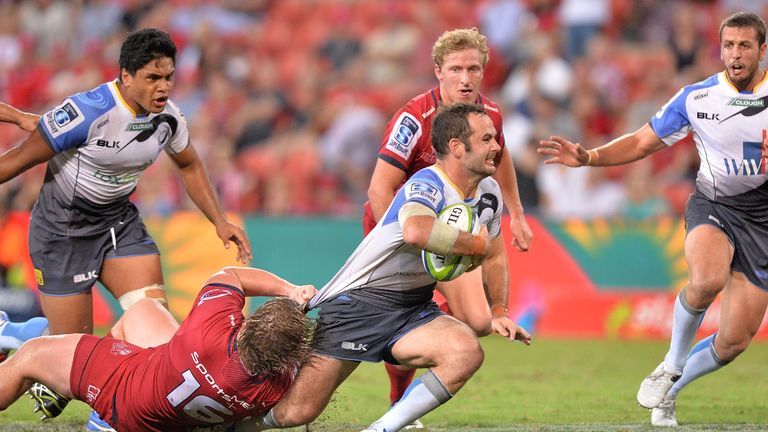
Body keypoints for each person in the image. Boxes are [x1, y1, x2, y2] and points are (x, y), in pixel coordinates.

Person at [0, 28, 252, 430]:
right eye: (153, 78)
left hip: (118, 223)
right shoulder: (88, 111)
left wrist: (220, 220)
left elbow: (188, 164)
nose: (163, 87)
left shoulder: (169, 117)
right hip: (62, 231)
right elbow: (15, 162)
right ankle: (16, 332)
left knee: (151, 326)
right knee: (70, 355)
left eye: (168, 77)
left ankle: (111, 417)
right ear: (125, 76)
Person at [538, 11, 768, 427]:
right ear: (720, 49)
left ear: (762, 50)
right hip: (715, 206)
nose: (735, 54)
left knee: (734, 342)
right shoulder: (696, 98)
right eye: (729, 45)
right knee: (706, 280)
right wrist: (590, 157)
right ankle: (670, 364)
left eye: (745, 45)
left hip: (763, 223)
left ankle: (670, 391)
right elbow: (643, 141)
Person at [240, 103, 530, 432]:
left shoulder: (490, 192)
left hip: (411, 307)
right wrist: (474, 244)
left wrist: (500, 308)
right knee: (296, 413)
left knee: (466, 351)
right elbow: (416, 231)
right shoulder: (427, 184)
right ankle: (235, 428)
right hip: (359, 303)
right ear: (456, 147)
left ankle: (380, 429)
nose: (497, 147)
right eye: (487, 139)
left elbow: (494, 255)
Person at [364, 27, 533, 424]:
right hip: (399, 230)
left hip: (447, 231)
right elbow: (379, 189)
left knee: (479, 324)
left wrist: (517, 211)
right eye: (456, 69)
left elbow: (500, 155)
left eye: (474, 69)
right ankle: (397, 398)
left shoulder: (488, 115)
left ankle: (428, 323)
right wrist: (405, 244)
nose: (465, 78)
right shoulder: (412, 118)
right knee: (406, 313)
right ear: (438, 71)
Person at [0, 266, 317, 432]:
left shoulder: (206, 334)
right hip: (170, 419)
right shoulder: (276, 389)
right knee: (143, 310)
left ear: (246, 325)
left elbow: (230, 275)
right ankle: (74, 397)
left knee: (30, 354)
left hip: (124, 392)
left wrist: (289, 290)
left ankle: (97, 412)